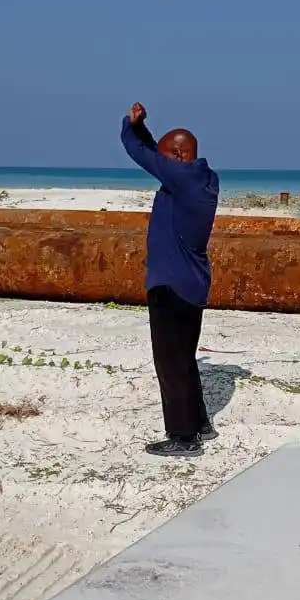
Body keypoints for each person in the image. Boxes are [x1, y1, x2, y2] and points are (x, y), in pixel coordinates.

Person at [120, 102, 220, 457]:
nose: (159, 168)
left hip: (171, 284)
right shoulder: (204, 176)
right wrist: (145, 129)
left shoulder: (182, 178)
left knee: (170, 362)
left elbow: (137, 151)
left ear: (178, 155)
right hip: (192, 282)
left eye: (165, 159)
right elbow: (152, 151)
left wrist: (130, 126)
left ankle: (183, 436)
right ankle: (201, 424)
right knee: (184, 357)